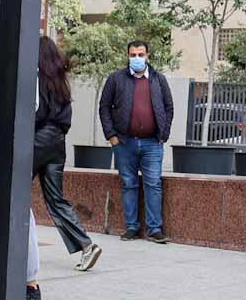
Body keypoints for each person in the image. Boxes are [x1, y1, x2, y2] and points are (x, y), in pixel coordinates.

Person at [35, 35, 99, 281]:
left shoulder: (37, 78)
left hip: (37, 139)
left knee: (13, 192)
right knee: (55, 199)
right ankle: (86, 246)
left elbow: (37, 113)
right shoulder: (61, 80)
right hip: (57, 143)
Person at [98, 39, 174, 243]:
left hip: (152, 143)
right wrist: (112, 136)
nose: (137, 58)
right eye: (133, 55)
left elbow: (168, 107)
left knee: (153, 184)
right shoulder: (116, 78)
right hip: (124, 142)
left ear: (148, 56)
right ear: (128, 56)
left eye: (141, 54)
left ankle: (154, 229)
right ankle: (131, 228)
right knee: (129, 184)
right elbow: (104, 107)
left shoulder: (158, 79)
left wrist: (163, 136)